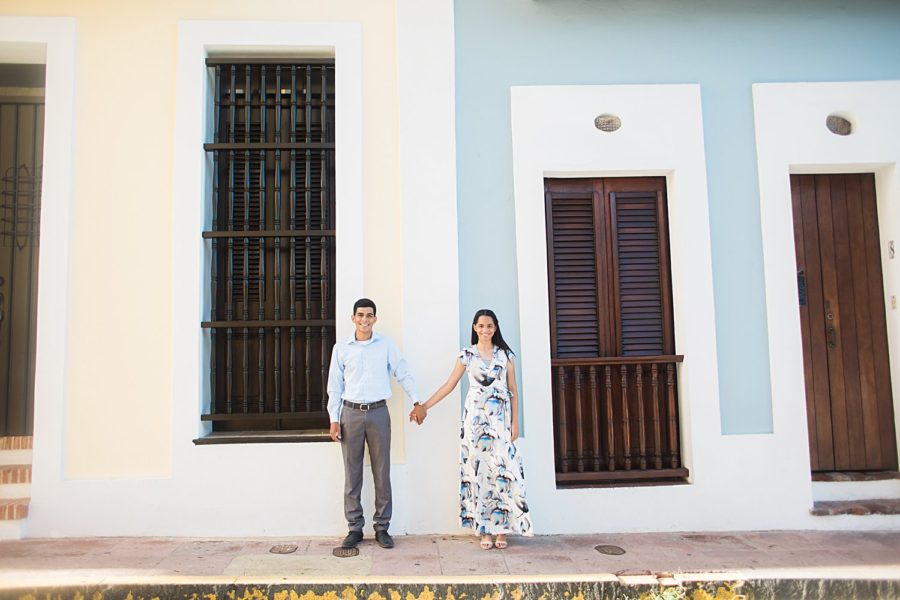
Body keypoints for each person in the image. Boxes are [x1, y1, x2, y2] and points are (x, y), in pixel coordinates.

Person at [410, 309, 532, 549]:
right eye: (481, 326)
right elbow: (449, 385)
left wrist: (515, 423)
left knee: (504, 472)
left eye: (489, 326)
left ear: (495, 328)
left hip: (500, 422)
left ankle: (503, 530)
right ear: (474, 328)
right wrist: (425, 406)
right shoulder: (466, 356)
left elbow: (513, 391)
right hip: (474, 422)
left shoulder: (505, 356)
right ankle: (485, 529)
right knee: (479, 473)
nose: (485, 330)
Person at [327, 298, 419, 550]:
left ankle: (382, 528)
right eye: (360, 315)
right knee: (352, 473)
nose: (364, 320)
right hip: (350, 413)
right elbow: (335, 386)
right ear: (353, 318)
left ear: (375, 319)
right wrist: (334, 420)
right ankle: (354, 528)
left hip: (378, 412)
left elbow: (403, 372)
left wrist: (417, 401)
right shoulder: (342, 349)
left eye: (369, 315)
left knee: (381, 471)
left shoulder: (385, 345)